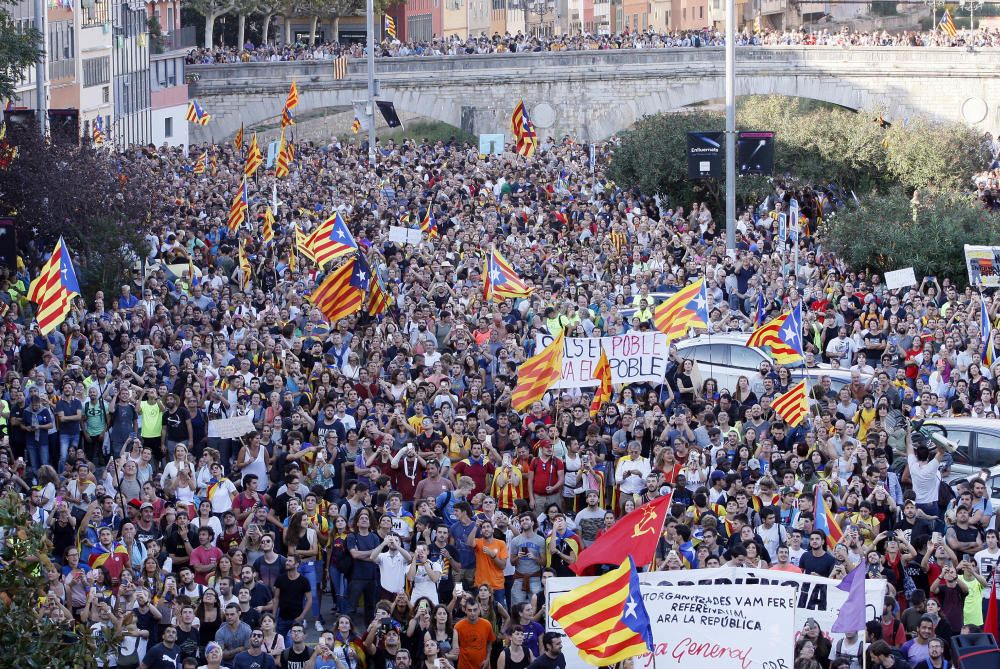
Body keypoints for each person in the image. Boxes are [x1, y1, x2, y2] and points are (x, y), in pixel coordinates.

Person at [454, 599, 496, 669]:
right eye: (470, 610)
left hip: (482, 665)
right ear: (465, 610)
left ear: (479, 610)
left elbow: (489, 644)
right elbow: (455, 648)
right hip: (464, 666)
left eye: (475, 610)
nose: (472, 613)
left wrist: (488, 659)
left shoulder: (487, 624)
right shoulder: (458, 626)